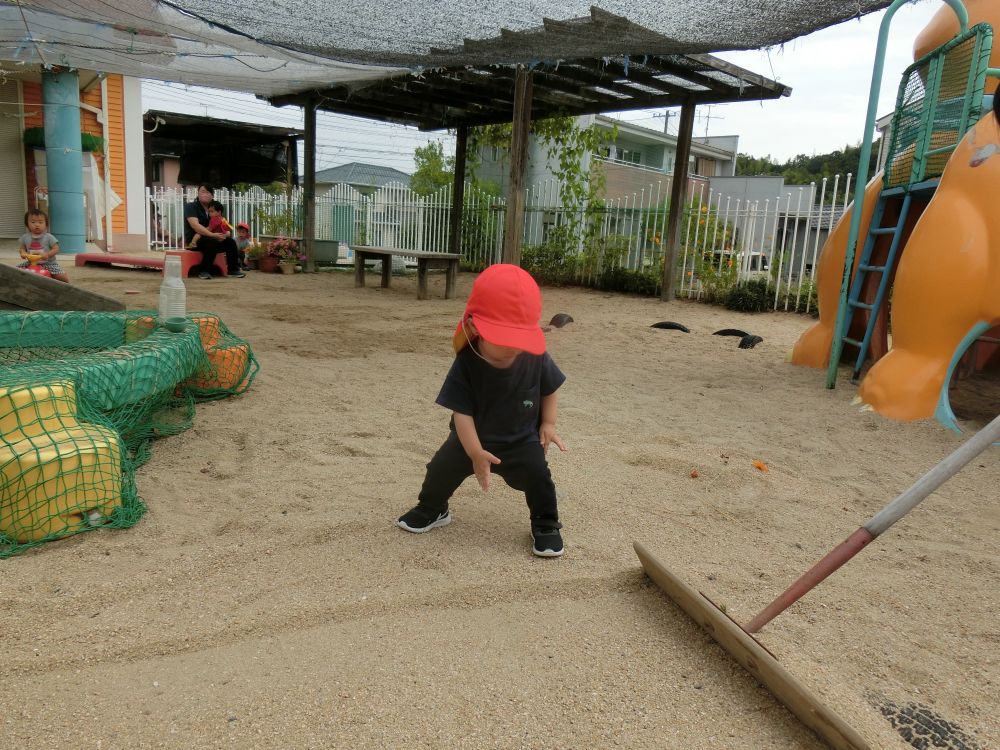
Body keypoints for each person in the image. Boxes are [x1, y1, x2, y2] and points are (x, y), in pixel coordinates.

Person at [397, 264, 568, 557]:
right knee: (440, 470)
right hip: (470, 440)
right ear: (476, 327)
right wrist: (475, 452)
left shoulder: (534, 357)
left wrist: (548, 423)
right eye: (506, 340)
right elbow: (461, 413)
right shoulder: (467, 361)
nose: (516, 349)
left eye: (521, 339)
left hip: (521, 440)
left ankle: (545, 523)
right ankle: (433, 508)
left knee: (539, 477)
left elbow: (549, 388)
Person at [183, 185, 245, 279]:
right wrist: (212, 235)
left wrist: (225, 234)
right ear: (198, 193)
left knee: (230, 242)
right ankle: (204, 270)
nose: (205, 194)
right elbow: (195, 226)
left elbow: (222, 224)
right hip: (195, 241)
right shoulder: (191, 207)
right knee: (211, 242)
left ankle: (233, 269)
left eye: (208, 192)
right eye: (203, 191)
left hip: (213, 238)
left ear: (212, 195)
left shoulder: (214, 208)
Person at [17, 208, 69, 282]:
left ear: (46, 225)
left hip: (48, 263)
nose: (37, 224)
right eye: (33, 222)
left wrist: (47, 254)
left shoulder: (48, 237)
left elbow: (56, 248)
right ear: (27, 224)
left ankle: (68, 287)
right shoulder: (25, 237)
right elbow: (22, 248)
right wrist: (23, 253)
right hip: (30, 262)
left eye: (40, 222)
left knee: (61, 276)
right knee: (14, 270)